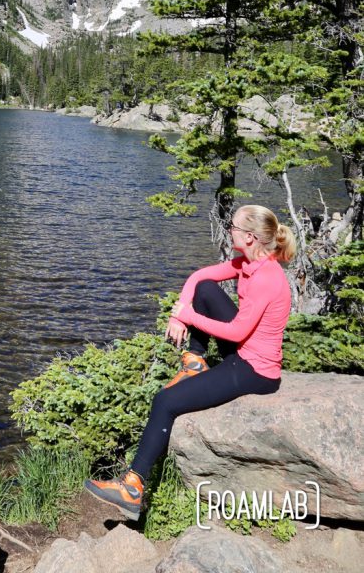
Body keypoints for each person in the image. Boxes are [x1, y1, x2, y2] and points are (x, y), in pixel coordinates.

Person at [84, 204, 297, 519]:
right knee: (206, 289)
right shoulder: (248, 263)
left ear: (250, 237)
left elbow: (238, 330)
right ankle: (194, 360)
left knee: (166, 401)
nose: (229, 230)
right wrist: (178, 313)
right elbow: (200, 277)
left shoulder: (267, 277)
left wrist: (190, 316)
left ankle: (132, 488)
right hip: (243, 350)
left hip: (255, 369)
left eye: (233, 227)